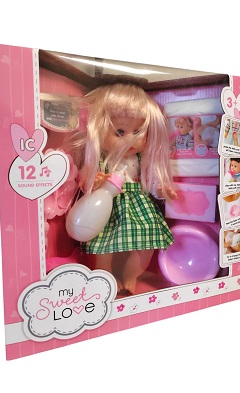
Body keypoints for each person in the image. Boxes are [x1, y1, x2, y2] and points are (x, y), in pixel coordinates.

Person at [74, 83, 177, 295]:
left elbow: (150, 180)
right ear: (99, 129)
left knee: (145, 245)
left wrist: (162, 189)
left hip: (138, 205)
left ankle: (132, 275)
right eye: (120, 132)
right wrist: (93, 181)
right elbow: (84, 178)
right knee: (104, 247)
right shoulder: (99, 158)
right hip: (107, 207)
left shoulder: (140, 158)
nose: (132, 138)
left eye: (138, 131)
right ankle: (105, 276)